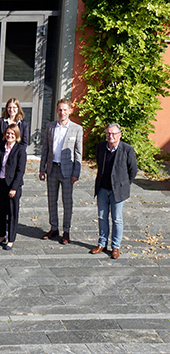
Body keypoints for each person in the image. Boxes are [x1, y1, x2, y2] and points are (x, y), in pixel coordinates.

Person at [39, 98, 83, 245]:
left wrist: (76, 172)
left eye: (65, 109)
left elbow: (78, 153)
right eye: (60, 109)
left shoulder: (77, 129)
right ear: (57, 110)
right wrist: (42, 169)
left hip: (67, 171)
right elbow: (45, 148)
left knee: (67, 202)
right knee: (52, 200)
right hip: (52, 169)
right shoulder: (50, 127)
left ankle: (66, 230)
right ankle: (54, 228)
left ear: (70, 110)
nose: (62, 112)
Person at [90, 123, 137, 259]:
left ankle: (115, 246)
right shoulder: (100, 147)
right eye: (108, 133)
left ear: (120, 135)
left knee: (116, 219)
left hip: (118, 190)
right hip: (102, 189)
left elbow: (133, 170)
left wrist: (125, 184)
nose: (110, 136)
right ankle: (102, 243)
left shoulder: (127, 150)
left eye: (114, 134)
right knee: (102, 217)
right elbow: (99, 163)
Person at [0, 98, 29, 223]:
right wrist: (0, 150)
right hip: (2, 155)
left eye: (14, 108)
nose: (12, 110)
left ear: (18, 109)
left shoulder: (23, 124)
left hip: (15, 158)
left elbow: (24, 142)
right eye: (9, 107)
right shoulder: (1, 122)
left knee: (10, 184)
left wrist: (15, 152)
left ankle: (7, 213)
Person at [0, 124, 27, 250]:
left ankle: (11, 239)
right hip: (0, 184)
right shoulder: (0, 147)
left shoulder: (20, 149)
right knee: (0, 212)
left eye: (12, 134)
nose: (9, 135)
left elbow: (20, 171)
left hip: (12, 186)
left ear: (16, 135)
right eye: (7, 133)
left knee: (12, 213)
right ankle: (1, 236)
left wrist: (14, 188)